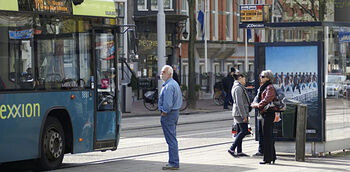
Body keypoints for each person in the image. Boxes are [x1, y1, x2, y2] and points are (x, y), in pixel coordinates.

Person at [158, 65, 183, 170]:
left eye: (164, 72)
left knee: (171, 139)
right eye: (162, 71)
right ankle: (173, 161)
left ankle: (174, 162)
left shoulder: (169, 86)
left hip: (169, 114)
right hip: (174, 113)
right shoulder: (174, 84)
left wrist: (164, 112)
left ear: (169, 74)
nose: (161, 73)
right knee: (172, 138)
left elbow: (168, 103)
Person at [251, 70, 277, 165]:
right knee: (267, 136)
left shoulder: (269, 87)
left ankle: (268, 158)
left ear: (268, 78)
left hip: (268, 114)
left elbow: (266, 100)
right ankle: (272, 157)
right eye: (260, 76)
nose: (260, 78)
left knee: (267, 136)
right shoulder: (263, 87)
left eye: (263, 76)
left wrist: (257, 105)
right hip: (264, 113)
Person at [227, 74, 250, 157]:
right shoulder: (238, 88)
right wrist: (243, 115)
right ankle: (232, 148)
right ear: (240, 78)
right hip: (239, 113)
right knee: (244, 131)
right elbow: (239, 103)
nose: (245, 80)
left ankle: (239, 151)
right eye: (244, 79)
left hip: (239, 112)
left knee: (240, 131)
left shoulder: (238, 87)